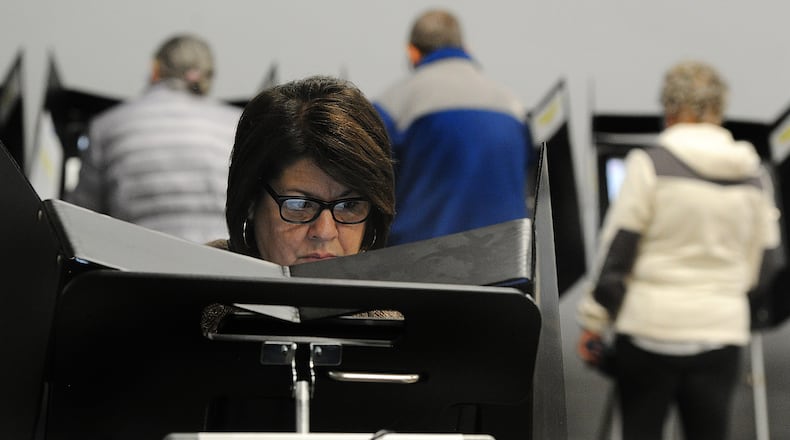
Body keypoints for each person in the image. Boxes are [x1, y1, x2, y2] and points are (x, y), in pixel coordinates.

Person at [576, 61, 781, 440]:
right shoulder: (753, 174)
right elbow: (767, 263)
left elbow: (616, 255)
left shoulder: (649, 165)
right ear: (719, 109)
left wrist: (594, 322)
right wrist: (730, 304)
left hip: (649, 330)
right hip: (720, 331)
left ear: (670, 109)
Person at [373, 9, 532, 246]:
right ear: (466, 48)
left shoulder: (394, 104)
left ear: (412, 53)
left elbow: (369, 183)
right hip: (508, 263)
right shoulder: (513, 106)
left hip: (422, 266)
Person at [66, 34, 242, 243]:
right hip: (224, 266)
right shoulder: (238, 124)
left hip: (135, 266)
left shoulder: (106, 125)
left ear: (155, 69)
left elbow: (80, 219)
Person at [210, 75, 395, 267]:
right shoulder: (193, 290)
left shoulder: (398, 292)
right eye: (300, 205)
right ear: (250, 202)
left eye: (348, 206)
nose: (325, 232)